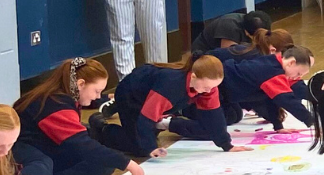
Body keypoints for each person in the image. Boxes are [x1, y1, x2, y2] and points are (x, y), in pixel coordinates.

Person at [13, 57, 142, 175]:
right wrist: (127, 163)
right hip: (25, 150)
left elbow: (91, 101)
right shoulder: (56, 105)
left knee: (103, 163)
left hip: (48, 146)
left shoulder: (64, 96)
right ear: (80, 84)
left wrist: (106, 97)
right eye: (97, 91)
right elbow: (81, 144)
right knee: (42, 164)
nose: (97, 96)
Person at [89, 55, 236, 158]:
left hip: (157, 98)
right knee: (140, 148)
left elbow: (213, 116)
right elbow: (146, 117)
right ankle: (102, 129)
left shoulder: (207, 87)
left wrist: (226, 145)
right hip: (131, 96)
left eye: (213, 87)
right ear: (193, 76)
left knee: (148, 137)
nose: (209, 91)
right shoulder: (171, 86)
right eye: (206, 86)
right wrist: (150, 147)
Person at [215, 46, 316, 130]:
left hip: (228, 91)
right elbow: (288, 101)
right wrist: (311, 121)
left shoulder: (273, 61)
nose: (297, 77)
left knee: (235, 115)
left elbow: (270, 99)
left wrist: (278, 126)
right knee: (216, 125)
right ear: (291, 63)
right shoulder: (273, 72)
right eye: (298, 73)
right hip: (218, 86)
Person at [190, 9, 271, 58]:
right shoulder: (229, 26)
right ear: (247, 33)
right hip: (204, 55)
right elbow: (229, 55)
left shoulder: (254, 23)